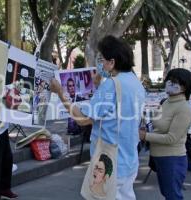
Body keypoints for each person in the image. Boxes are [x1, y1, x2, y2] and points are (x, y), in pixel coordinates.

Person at [50, 35, 145, 199]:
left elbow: (83, 120)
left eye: (101, 59)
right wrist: (97, 86)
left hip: (111, 160)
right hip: (129, 158)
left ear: (112, 62)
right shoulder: (135, 82)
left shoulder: (111, 85)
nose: (99, 63)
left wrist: (60, 93)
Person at [139, 68, 191, 200]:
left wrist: (145, 136)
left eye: (174, 81)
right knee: (167, 193)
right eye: (168, 80)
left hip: (172, 159)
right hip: (159, 157)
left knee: (173, 196)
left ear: (184, 86)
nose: (169, 83)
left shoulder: (183, 108)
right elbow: (158, 127)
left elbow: (172, 138)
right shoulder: (166, 102)